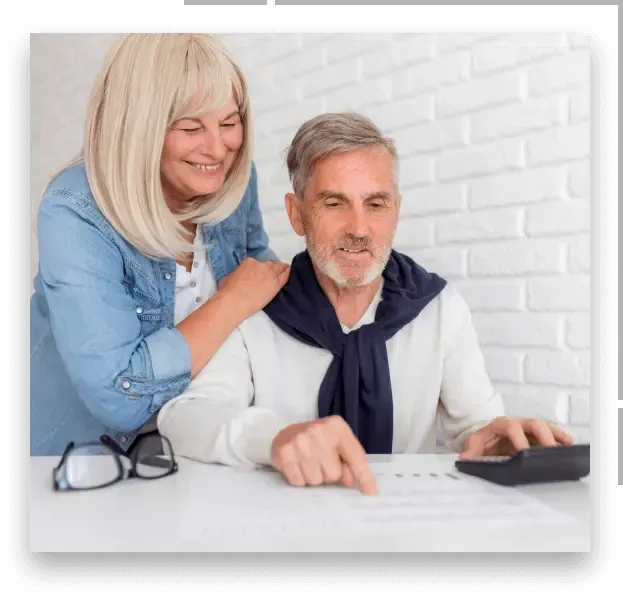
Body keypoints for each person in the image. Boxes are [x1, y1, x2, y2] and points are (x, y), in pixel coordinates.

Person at [156, 112, 574, 494]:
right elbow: (185, 418)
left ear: (396, 211)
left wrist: (496, 437)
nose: (359, 228)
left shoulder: (439, 307)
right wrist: (274, 437)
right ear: (297, 214)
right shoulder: (254, 307)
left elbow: (475, 425)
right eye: (334, 203)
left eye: (376, 204)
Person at [30, 33, 290, 456]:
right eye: (191, 127)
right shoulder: (75, 211)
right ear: (137, 127)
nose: (218, 148)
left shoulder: (233, 185)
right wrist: (230, 302)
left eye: (229, 122)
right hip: (76, 464)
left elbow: (258, 269)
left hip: (185, 454)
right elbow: (120, 393)